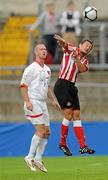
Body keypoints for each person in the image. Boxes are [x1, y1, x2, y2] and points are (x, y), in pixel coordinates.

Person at [20, 44, 61, 172]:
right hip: (33, 101)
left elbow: (47, 87)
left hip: (42, 103)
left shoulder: (47, 69)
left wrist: (54, 101)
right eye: (41, 49)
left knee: (47, 132)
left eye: (45, 49)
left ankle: (38, 158)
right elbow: (23, 86)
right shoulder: (31, 69)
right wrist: (28, 102)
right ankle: (29, 156)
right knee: (41, 131)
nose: (44, 51)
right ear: (36, 53)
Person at [53, 34, 95, 156]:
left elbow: (81, 69)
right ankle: (62, 143)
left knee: (77, 115)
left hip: (72, 87)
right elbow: (65, 45)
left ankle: (83, 146)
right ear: (80, 45)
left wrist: (77, 58)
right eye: (87, 45)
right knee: (68, 114)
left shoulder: (85, 61)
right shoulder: (72, 49)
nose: (88, 48)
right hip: (62, 85)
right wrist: (61, 41)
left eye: (90, 47)